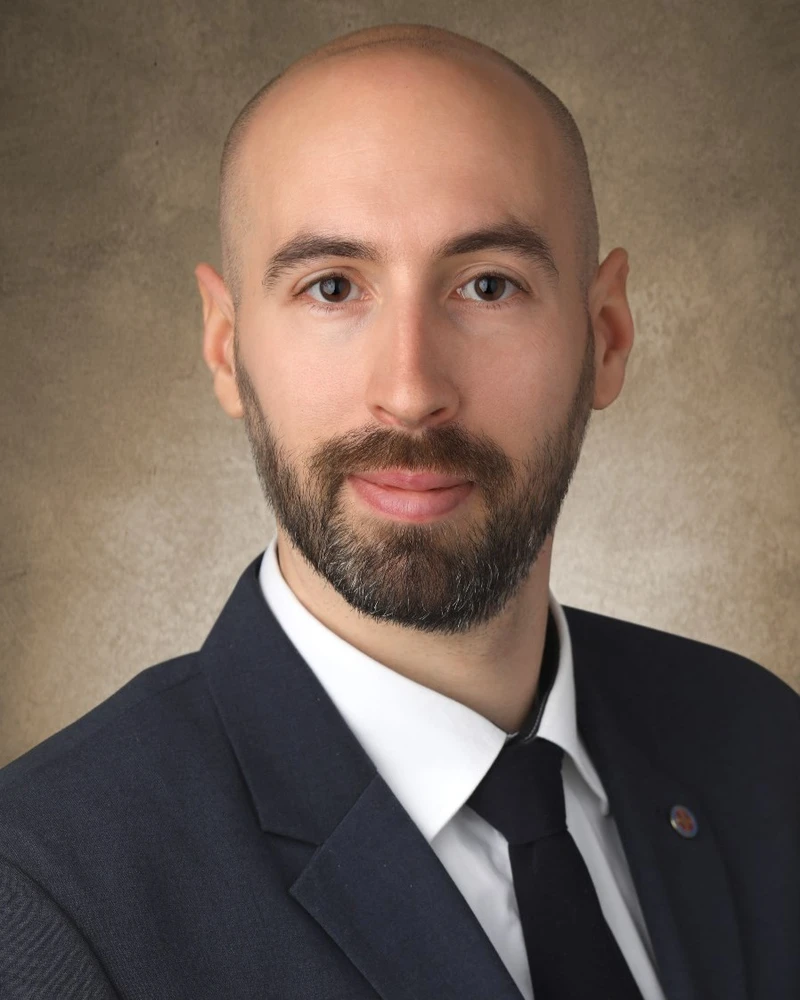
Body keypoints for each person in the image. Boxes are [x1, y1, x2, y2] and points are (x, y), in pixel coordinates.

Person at [0, 21, 796, 1000]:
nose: (411, 391)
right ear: (226, 347)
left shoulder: (761, 745)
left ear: (605, 336)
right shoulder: (44, 904)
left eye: (487, 286)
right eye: (332, 287)